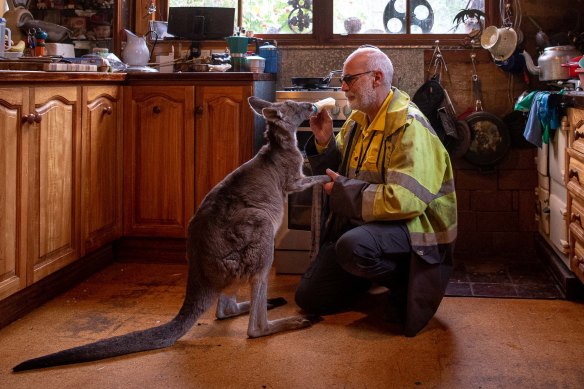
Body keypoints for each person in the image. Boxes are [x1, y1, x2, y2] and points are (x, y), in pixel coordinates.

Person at [294, 46, 457, 337]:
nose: (343, 87)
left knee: (354, 247)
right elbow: (338, 173)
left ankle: (405, 281)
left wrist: (344, 193)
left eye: (349, 79)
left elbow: (406, 201)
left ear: (377, 77)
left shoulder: (409, 126)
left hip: (416, 228)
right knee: (310, 298)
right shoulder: (358, 121)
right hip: (370, 226)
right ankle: (366, 273)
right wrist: (324, 142)